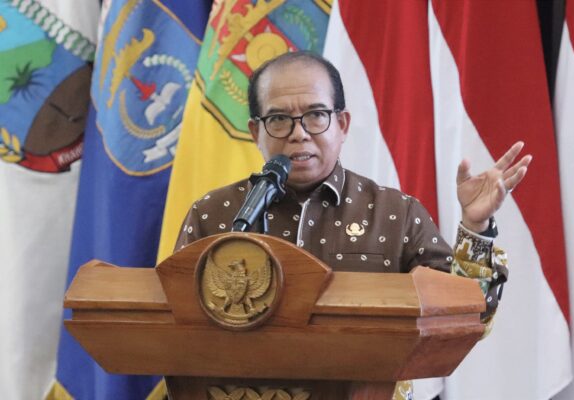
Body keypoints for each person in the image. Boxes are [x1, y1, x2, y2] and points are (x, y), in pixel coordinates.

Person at [175, 51, 531, 399]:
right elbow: (173, 326)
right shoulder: (214, 214)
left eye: (316, 115)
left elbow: (468, 318)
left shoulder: (395, 214)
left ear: (342, 125)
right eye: (279, 118)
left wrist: (475, 225)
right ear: (256, 131)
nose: (299, 133)